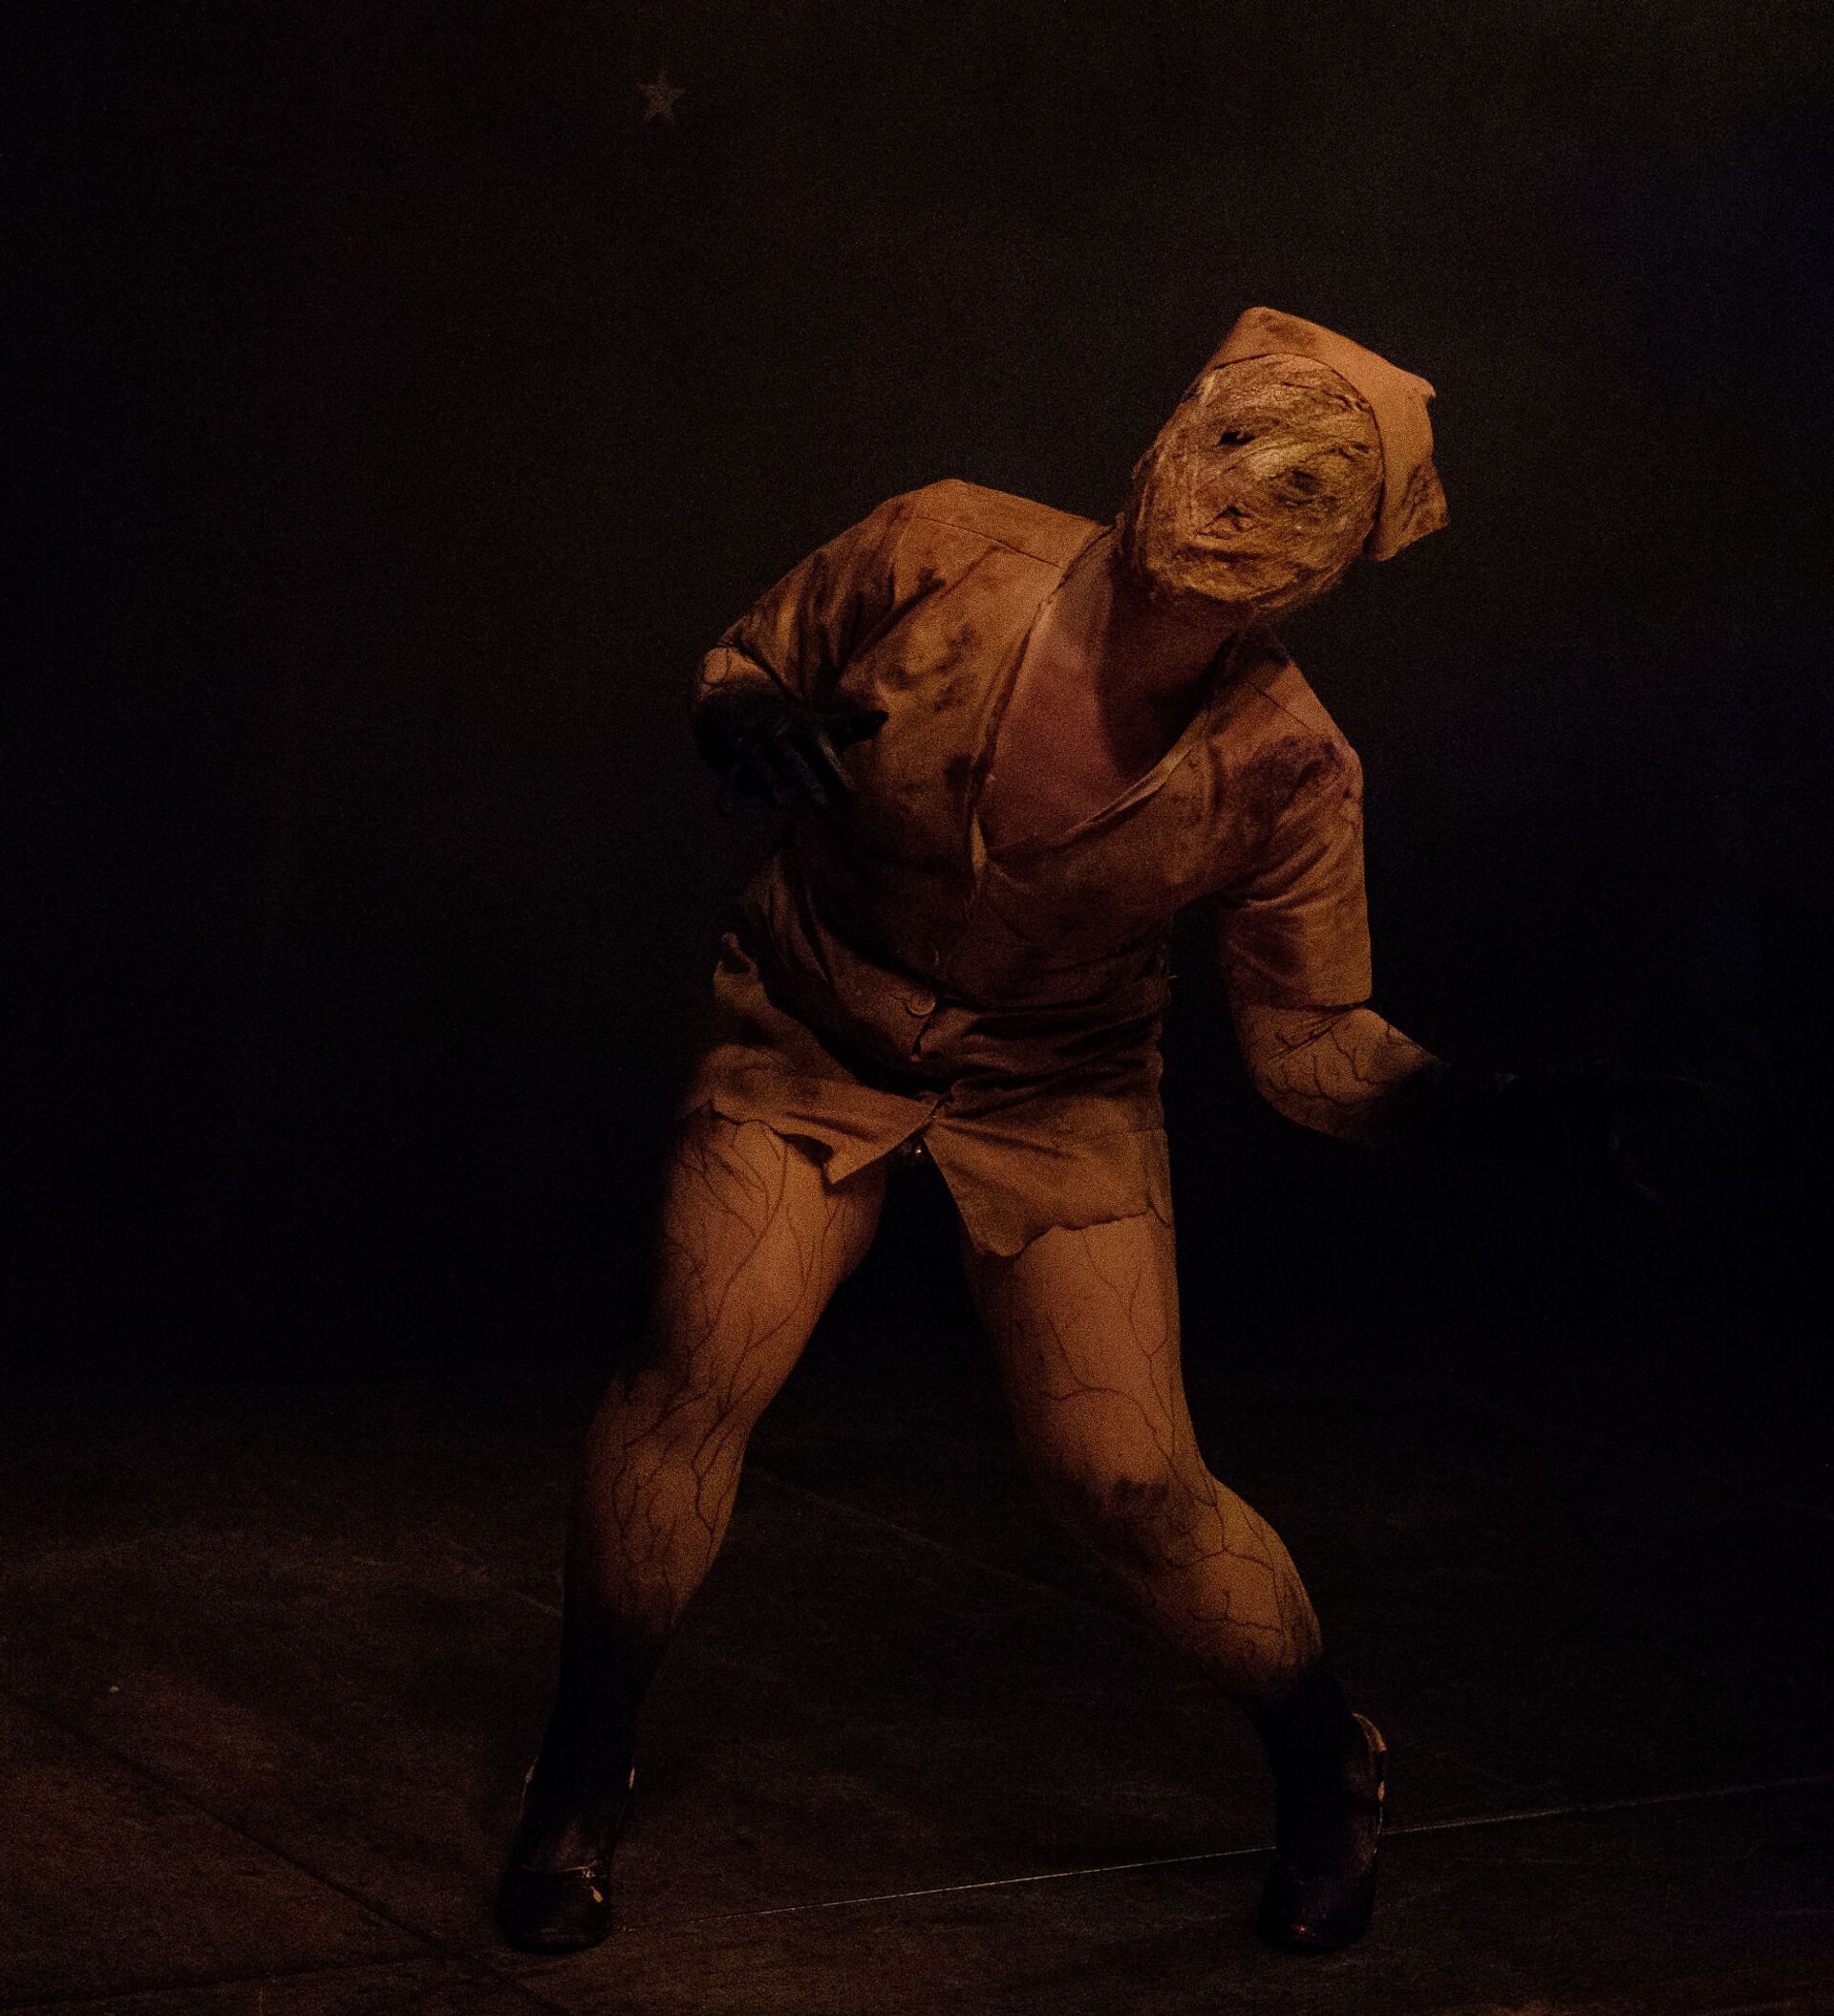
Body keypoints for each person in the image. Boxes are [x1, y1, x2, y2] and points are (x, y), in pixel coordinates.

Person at [496, 307, 1662, 1956]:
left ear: (1342, 555)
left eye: (1310, 487)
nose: (1250, 491)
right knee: (694, 1372)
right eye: (1243, 439)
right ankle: (580, 1769)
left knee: (1131, 1481)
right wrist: (738, 716)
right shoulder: (944, 544)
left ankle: (1324, 1753)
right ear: (1182, 419)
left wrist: (1494, 1111)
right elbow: (750, 657)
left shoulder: (1287, 767)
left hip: (1057, 1093)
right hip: (809, 1026)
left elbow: (1309, 1045)